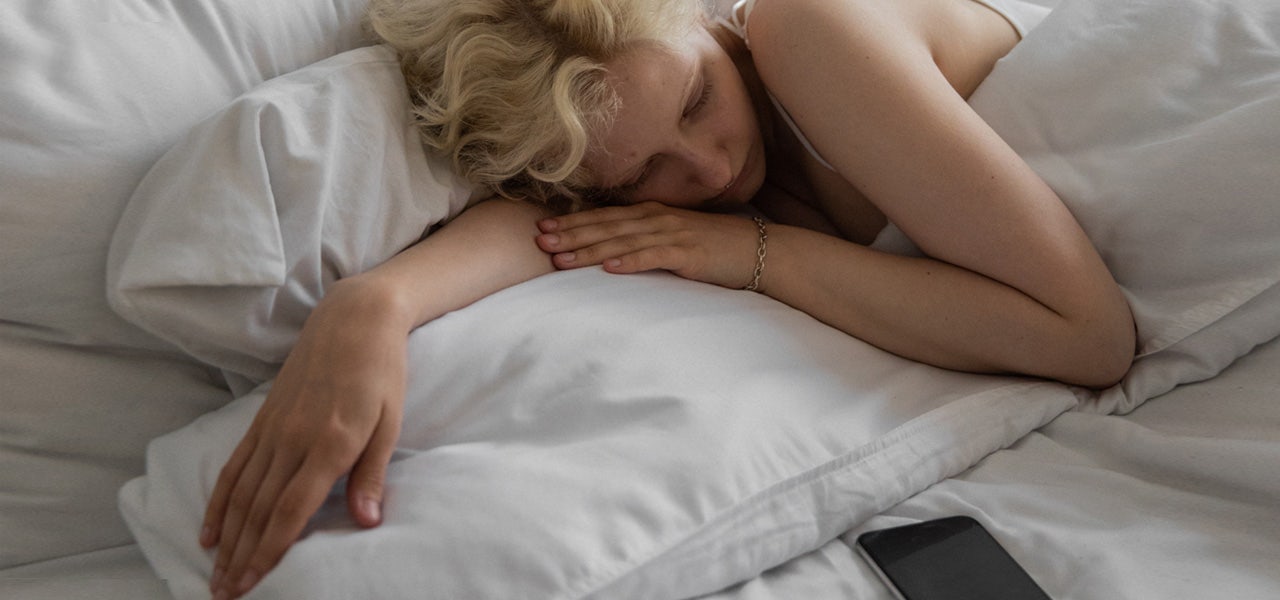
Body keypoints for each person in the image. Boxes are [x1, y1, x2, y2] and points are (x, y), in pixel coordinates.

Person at [202, 0, 1137, 597]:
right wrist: (372, 306)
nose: (712, 167)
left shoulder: (806, 31)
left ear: (703, 17)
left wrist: (753, 251)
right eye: (645, 170)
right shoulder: (637, 181)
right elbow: (538, 230)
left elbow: (1088, 339)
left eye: (698, 100)